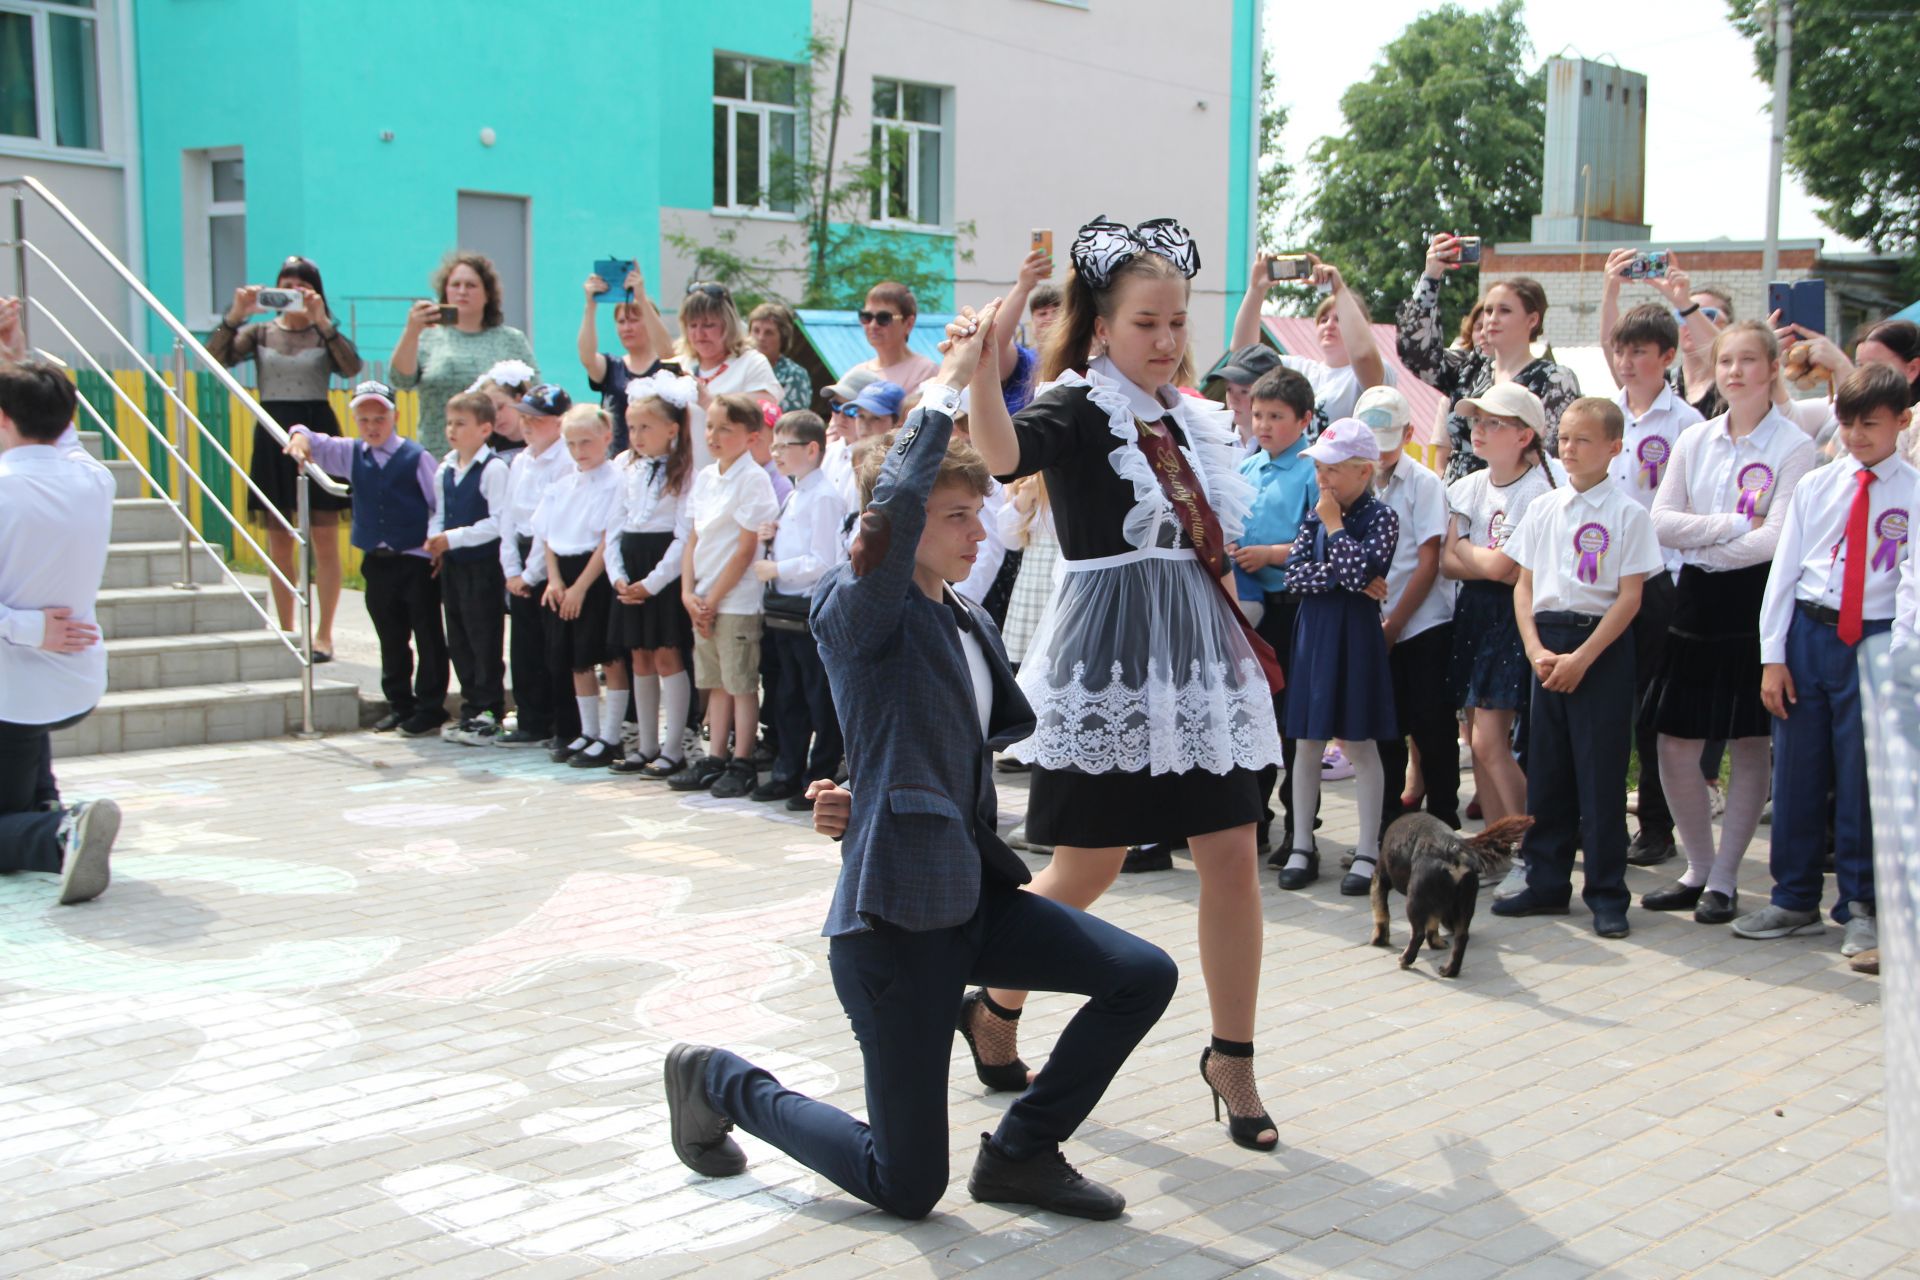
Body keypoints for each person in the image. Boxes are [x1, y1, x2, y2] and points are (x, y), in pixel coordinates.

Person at [665, 301, 1176, 1221]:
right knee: (908, 1186)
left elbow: (922, 740)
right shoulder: (861, 606)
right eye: (953, 517)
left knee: (1143, 974)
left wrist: (863, 790)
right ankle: (718, 1080)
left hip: (970, 898)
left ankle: (1022, 1152)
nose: (976, 533)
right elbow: (892, 516)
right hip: (896, 927)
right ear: (893, 528)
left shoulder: (962, 614)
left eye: (977, 513)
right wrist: (944, 388)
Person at [962, 217, 1285, 1152]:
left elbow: (1208, 548)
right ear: (1102, 326)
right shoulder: (1079, 404)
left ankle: (1233, 1055)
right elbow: (1000, 455)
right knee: (1086, 867)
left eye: (1177, 321)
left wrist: (1242, 660)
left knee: (1231, 851)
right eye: (1148, 322)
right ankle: (994, 1001)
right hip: (1109, 664)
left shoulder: (1190, 417)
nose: (1169, 339)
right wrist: (988, 368)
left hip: (1197, 665)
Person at [1640, 322, 1816, 926]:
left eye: (1748, 360)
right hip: (1696, 600)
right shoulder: (1697, 439)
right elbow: (1661, 521)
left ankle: (1724, 877)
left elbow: (1780, 539)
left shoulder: (1794, 446)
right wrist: (1730, 526)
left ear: (1771, 368)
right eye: (1725, 361)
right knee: (1673, 742)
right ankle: (1695, 865)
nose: (1735, 371)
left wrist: (1708, 537)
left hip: (1755, 604)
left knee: (1748, 741)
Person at [1746, 364, 1917, 947]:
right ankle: (1792, 898)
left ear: (1903, 421)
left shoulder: (1914, 494)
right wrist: (1774, 656)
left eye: (1871, 424)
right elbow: (1785, 572)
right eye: (1847, 422)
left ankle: (1860, 903)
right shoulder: (1818, 485)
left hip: (1875, 640)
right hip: (1809, 636)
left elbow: (1913, 589)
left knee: (1861, 777)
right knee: (1796, 772)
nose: (1856, 435)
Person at [1496, 398, 1664, 937]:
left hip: (1600, 648)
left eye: (1583, 440)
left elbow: (1630, 598)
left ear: (1614, 448)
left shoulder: (1628, 515)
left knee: (1601, 775)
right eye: (1563, 438)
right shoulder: (1545, 508)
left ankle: (1607, 892)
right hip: (1547, 647)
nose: (1569, 449)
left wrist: (1582, 657)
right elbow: (1524, 585)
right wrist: (1535, 650)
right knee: (1547, 771)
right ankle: (1546, 882)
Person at [0, 359, 120, 905]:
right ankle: (53, 813)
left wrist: (28, 629)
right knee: (20, 776)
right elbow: (57, 427)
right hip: (75, 687)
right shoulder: (95, 479)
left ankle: (56, 836)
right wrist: (20, 359)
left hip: (12, 698)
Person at [207, 255, 362, 661]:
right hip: (272, 430)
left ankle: (324, 633)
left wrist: (323, 321)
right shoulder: (260, 333)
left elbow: (350, 367)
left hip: (317, 427)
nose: (291, 295)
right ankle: (288, 628)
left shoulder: (323, 335)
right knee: (280, 541)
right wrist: (236, 314)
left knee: (324, 540)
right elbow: (216, 356)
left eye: (300, 287)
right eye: (285, 286)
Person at [1277, 418, 1401, 898]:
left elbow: (1362, 572)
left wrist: (1334, 531)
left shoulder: (1381, 517)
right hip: (1316, 633)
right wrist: (1344, 574)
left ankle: (1368, 850)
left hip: (1356, 638)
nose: (1322, 480)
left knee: (1360, 742)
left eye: (1331, 470)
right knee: (1307, 743)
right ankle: (1303, 845)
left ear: (1363, 472)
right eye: (1319, 469)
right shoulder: (1315, 513)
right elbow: (1295, 577)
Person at [287, 380, 449, 737]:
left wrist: (437, 546)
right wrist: (299, 436)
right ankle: (399, 704)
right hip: (377, 562)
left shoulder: (415, 456)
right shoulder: (351, 453)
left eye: (380, 418)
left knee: (427, 634)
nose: (373, 427)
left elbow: (438, 503)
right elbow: (311, 437)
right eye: (365, 420)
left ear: (395, 416)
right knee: (390, 636)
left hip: (415, 561)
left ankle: (430, 707)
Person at [1605, 304, 1705, 870]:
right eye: (1622, 350)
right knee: (1611, 703)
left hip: (1662, 578)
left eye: (1640, 351)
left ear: (1668, 357)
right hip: (1604, 580)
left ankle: (1656, 826)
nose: (1628, 361)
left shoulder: (1686, 424)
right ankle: (1602, 819)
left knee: (1652, 710)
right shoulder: (1603, 415)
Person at [1442, 383, 1557, 848]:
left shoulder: (1540, 490)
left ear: (1524, 435)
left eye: (1493, 423)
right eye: (1476, 421)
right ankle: (1496, 846)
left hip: (1513, 617)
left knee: (1491, 740)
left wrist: (1468, 548)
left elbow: (1508, 567)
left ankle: (1537, 843)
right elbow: (1448, 563)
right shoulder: (1467, 485)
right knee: (1476, 740)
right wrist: (1480, 557)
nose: (1479, 430)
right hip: (1474, 610)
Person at [1230, 365, 1321, 870]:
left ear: (1304, 419)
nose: (1263, 425)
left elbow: (1317, 546)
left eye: (1277, 416)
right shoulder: (1247, 468)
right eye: (1258, 414)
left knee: (1294, 727)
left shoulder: (1311, 471)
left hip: (1294, 611)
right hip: (1247, 613)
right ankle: (1256, 820)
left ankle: (1299, 829)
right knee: (1253, 721)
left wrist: (1269, 554)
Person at [669, 393, 782, 798]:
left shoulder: (753, 479)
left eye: (725, 429)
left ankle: (743, 760)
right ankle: (714, 757)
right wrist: (688, 592)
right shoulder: (706, 476)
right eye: (710, 426)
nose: (714, 435)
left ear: (751, 437)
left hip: (733, 600)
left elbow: (745, 548)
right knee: (715, 682)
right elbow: (693, 537)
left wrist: (713, 598)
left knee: (740, 683)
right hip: (703, 597)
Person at [1398, 235, 1582, 482]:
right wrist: (1431, 275)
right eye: (1488, 310)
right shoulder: (1469, 368)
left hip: (1515, 503)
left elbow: (1550, 452)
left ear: (1532, 320)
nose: (1491, 319)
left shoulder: (1554, 379)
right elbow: (1415, 353)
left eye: (1504, 311)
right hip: (1458, 501)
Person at [1362, 385, 1460, 833]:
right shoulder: (1355, 481)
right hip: (1373, 623)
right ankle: (1386, 828)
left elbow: (1429, 560)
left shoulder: (1425, 483)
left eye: (1388, 443)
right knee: (1384, 730)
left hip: (1421, 624)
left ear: (1409, 432)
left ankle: (1443, 819)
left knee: (1431, 726)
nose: (1380, 455)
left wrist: (1395, 624)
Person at [605, 372, 698, 779]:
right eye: (631, 427)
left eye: (646, 427)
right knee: (639, 655)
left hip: (662, 568)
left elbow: (683, 536)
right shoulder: (625, 467)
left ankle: (674, 746)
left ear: (672, 429)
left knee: (665, 653)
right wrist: (618, 576)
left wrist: (655, 582)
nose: (636, 435)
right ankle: (645, 744)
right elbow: (613, 525)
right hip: (630, 564)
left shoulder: (685, 470)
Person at [751, 410, 846, 804]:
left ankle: (817, 777)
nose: (775, 453)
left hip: (807, 609)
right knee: (786, 694)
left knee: (816, 697)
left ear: (811, 449)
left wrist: (778, 566)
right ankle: (787, 771)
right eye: (772, 445)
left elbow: (824, 561)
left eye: (783, 446)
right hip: (784, 609)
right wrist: (772, 536)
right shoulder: (794, 493)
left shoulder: (823, 496)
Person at [529, 405, 628, 768]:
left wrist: (581, 587)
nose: (578, 450)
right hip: (565, 576)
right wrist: (555, 580)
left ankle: (612, 736)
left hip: (595, 577)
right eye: (571, 443)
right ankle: (588, 732)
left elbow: (607, 539)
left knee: (608, 656)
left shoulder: (615, 480)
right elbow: (547, 535)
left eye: (586, 442)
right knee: (576, 660)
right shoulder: (561, 485)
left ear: (606, 438)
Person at [1230, 251, 1397, 441]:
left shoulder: (1375, 372)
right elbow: (1243, 356)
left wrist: (1339, 290)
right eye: (1323, 319)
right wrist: (1256, 290)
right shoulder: (1300, 370)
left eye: (1339, 319)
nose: (1329, 325)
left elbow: (1363, 355)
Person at [390, 251, 536, 458]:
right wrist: (411, 331)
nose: (462, 291)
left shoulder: (511, 339)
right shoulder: (427, 337)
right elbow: (400, 380)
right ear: (445, 291)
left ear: (487, 294)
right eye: (455, 285)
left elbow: (533, 397)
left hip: (496, 458)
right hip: (437, 455)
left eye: (471, 285)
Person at [425, 391, 510, 745]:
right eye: (449, 423)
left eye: (461, 423)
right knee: (458, 637)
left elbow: (498, 522)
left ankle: (491, 708)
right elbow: (439, 514)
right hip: (455, 567)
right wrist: (435, 541)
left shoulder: (494, 469)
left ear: (485, 429)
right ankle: (471, 705)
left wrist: (454, 538)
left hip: (483, 566)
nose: (452, 430)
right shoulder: (445, 468)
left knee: (483, 636)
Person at [495, 385, 576, 748]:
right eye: (524, 417)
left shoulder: (565, 462)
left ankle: (564, 724)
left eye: (536, 419)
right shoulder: (521, 460)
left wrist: (529, 575)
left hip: (550, 558)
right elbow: (508, 517)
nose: (526, 425)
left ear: (558, 423)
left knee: (555, 649)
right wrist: (511, 570)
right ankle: (532, 718)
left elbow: (550, 523)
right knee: (524, 647)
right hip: (522, 555)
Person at [677, 282, 782, 470]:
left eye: (709, 325)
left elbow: (765, 417)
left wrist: (709, 401)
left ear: (728, 324)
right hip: (685, 483)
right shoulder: (682, 364)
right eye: (692, 325)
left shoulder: (751, 363)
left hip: (736, 481)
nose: (699, 334)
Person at [581, 263, 675, 457]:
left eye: (634, 320)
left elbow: (668, 351)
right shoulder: (611, 365)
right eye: (621, 322)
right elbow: (587, 357)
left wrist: (640, 297)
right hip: (617, 461)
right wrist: (590, 306)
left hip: (661, 461)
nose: (627, 328)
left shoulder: (664, 365)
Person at [849, 281, 938, 396]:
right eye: (867, 317)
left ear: (908, 323)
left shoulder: (926, 373)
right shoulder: (856, 374)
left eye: (884, 318)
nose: (872, 325)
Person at [749, 302, 814, 412]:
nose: (760, 338)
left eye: (768, 333)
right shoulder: (737, 366)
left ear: (783, 338)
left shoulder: (793, 375)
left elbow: (793, 423)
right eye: (756, 330)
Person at [839, 380, 905, 442]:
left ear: (897, 424)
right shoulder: (850, 452)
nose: (865, 424)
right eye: (861, 416)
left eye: (876, 418)